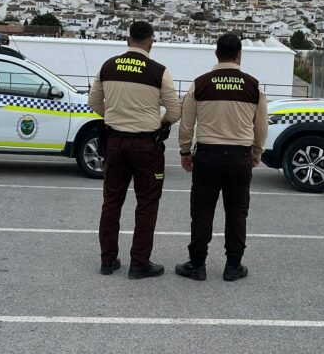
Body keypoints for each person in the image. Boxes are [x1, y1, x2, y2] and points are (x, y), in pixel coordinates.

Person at [88, 21, 181, 279]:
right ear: (151, 42)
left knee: (111, 203)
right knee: (147, 204)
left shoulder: (108, 66)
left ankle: (108, 261)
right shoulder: (159, 71)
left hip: (115, 142)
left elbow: (93, 102)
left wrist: (114, 117)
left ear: (128, 40)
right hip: (145, 145)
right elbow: (175, 111)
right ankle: (139, 263)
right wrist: (159, 123)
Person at [176, 34, 268, 282]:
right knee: (237, 212)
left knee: (202, 211)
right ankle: (233, 265)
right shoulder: (253, 86)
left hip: (207, 156)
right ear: (239, 55)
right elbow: (260, 128)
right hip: (240, 158)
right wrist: (256, 152)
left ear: (216, 54)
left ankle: (197, 265)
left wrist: (185, 151)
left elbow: (186, 125)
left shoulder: (200, 83)